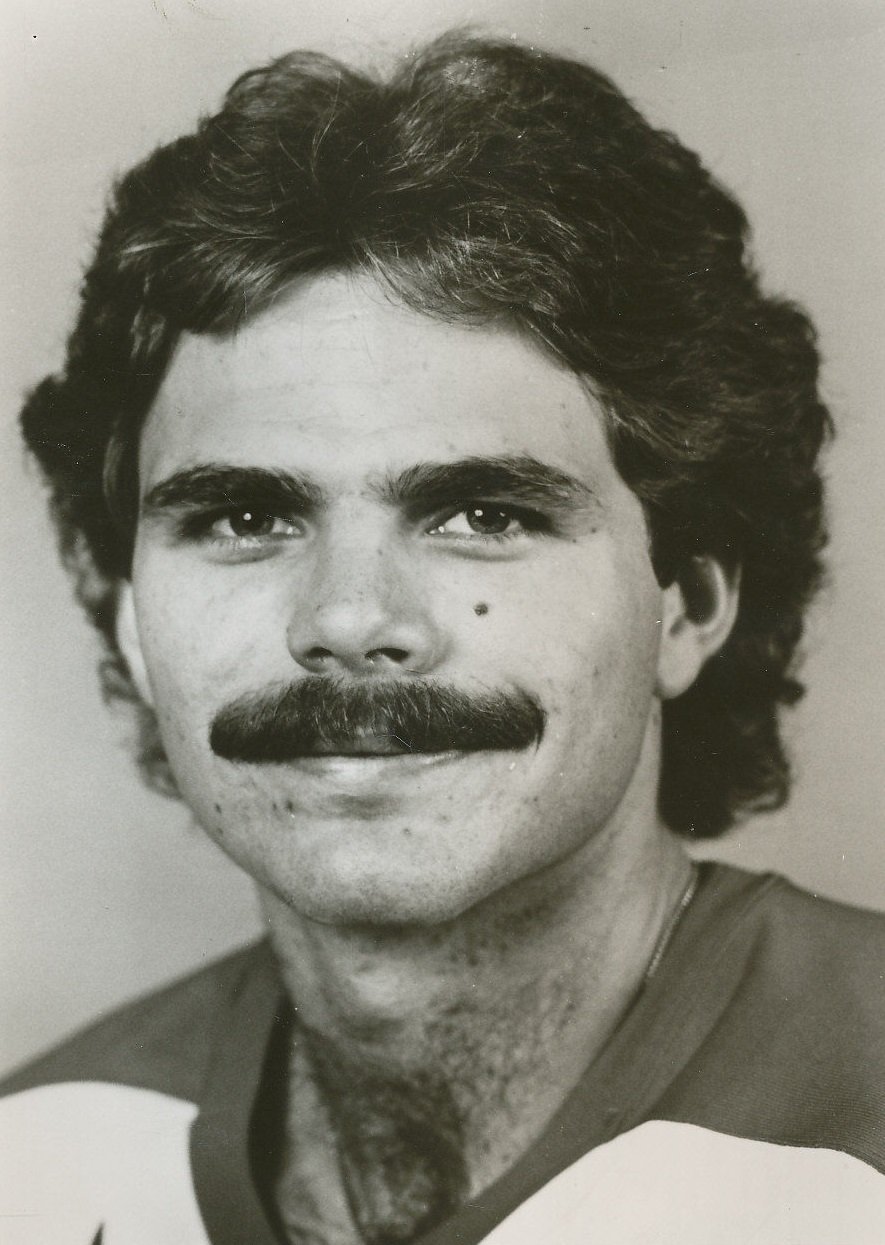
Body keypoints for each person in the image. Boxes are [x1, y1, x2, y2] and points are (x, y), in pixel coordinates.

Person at [2, 31, 882, 1245]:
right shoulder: (37, 1168)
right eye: (246, 519)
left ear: (688, 601)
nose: (350, 620)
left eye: (483, 514)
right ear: (128, 619)